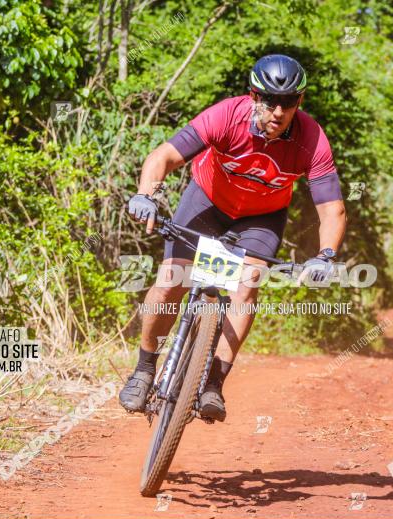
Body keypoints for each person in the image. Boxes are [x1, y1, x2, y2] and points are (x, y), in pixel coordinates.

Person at [120, 54, 346, 422]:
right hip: (206, 201)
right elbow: (163, 156)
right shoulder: (226, 115)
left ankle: (212, 383)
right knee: (169, 282)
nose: (278, 111)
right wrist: (146, 195)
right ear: (254, 96)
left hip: (261, 217)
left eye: (288, 102)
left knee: (245, 288)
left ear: (299, 102)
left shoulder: (312, 139)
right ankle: (144, 369)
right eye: (270, 101)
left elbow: (332, 208)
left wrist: (325, 255)